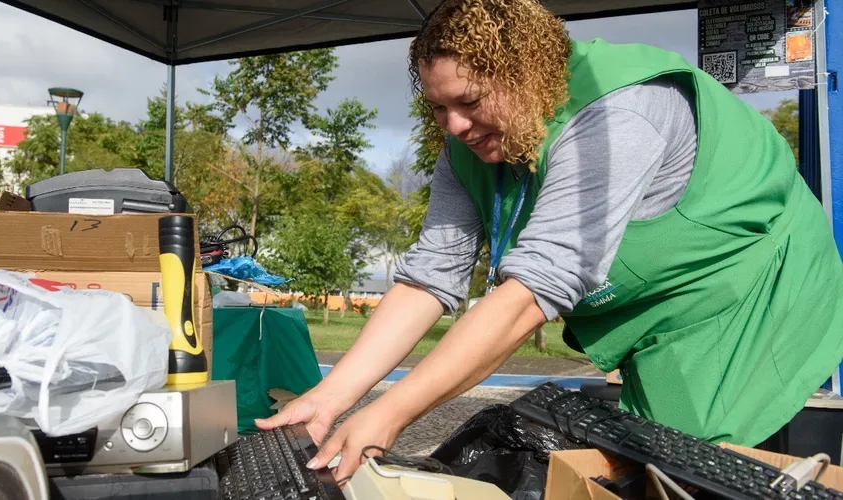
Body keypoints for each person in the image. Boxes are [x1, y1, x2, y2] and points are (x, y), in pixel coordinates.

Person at [257, 0, 843, 482]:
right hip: (657, 306)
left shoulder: (620, 116)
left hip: (756, 290)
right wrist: (331, 397)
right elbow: (428, 279)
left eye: (470, 101)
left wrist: (392, 414)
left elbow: (538, 286)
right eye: (438, 108)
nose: (455, 126)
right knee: (648, 463)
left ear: (531, 77)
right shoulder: (464, 150)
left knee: (703, 469)